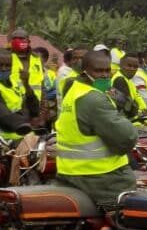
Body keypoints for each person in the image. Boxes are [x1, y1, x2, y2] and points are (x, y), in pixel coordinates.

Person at [54, 50, 138, 209]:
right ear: (84, 71)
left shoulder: (74, 88)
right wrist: (120, 115)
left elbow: (131, 107)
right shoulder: (94, 98)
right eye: (98, 71)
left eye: (107, 70)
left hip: (70, 171)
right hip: (100, 176)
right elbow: (127, 138)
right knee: (131, 214)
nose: (105, 75)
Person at [111, 53, 147, 119]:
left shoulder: (128, 79)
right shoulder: (120, 80)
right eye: (129, 66)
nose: (132, 69)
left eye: (135, 67)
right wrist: (142, 113)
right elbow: (128, 107)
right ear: (121, 65)